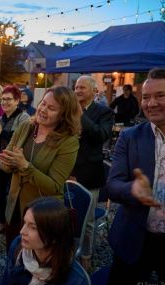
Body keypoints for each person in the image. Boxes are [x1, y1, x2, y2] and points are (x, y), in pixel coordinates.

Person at [106, 68, 165, 285]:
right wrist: (133, 190)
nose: (151, 103)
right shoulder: (130, 137)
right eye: (146, 97)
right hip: (135, 238)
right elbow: (113, 185)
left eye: (160, 96)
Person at [0, 86, 81, 248]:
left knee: (35, 262)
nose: (43, 110)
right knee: (13, 253)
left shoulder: (68, 142)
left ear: (64, 115)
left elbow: (54, 186)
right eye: (43, 103)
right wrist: (7, 163)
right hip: (14, 207)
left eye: (51, 108)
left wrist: (24, 166)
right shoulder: (26, 127)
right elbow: (5, 160)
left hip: (41, 214)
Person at [0, 197, 90, 285]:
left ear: (54, 237)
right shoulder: (18, 245)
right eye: (25, 223)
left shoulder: (75, 282)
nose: (22, 231)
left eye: (33, 227)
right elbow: (5, 284)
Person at [71, 75, 114, 270]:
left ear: (94, 91)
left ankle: (86, 255)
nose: (77, 90)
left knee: (87, 221)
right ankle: (67, 253)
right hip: (67, 171)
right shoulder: (68, 110)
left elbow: (101, 135)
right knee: (66, 216)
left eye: (82, 87)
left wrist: (81, 115)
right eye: (76, 87)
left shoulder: (104, 112)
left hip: (90, 174)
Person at [0, 85, 29, 236]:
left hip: (15, 165)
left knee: (15, 198)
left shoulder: (24, 118)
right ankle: (3, 222)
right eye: (2, 99)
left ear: (17, 101)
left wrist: (1, 133)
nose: (5, 102)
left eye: (9, 99)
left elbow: (20, 141)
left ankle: (16, 226)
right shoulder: (1, 119)